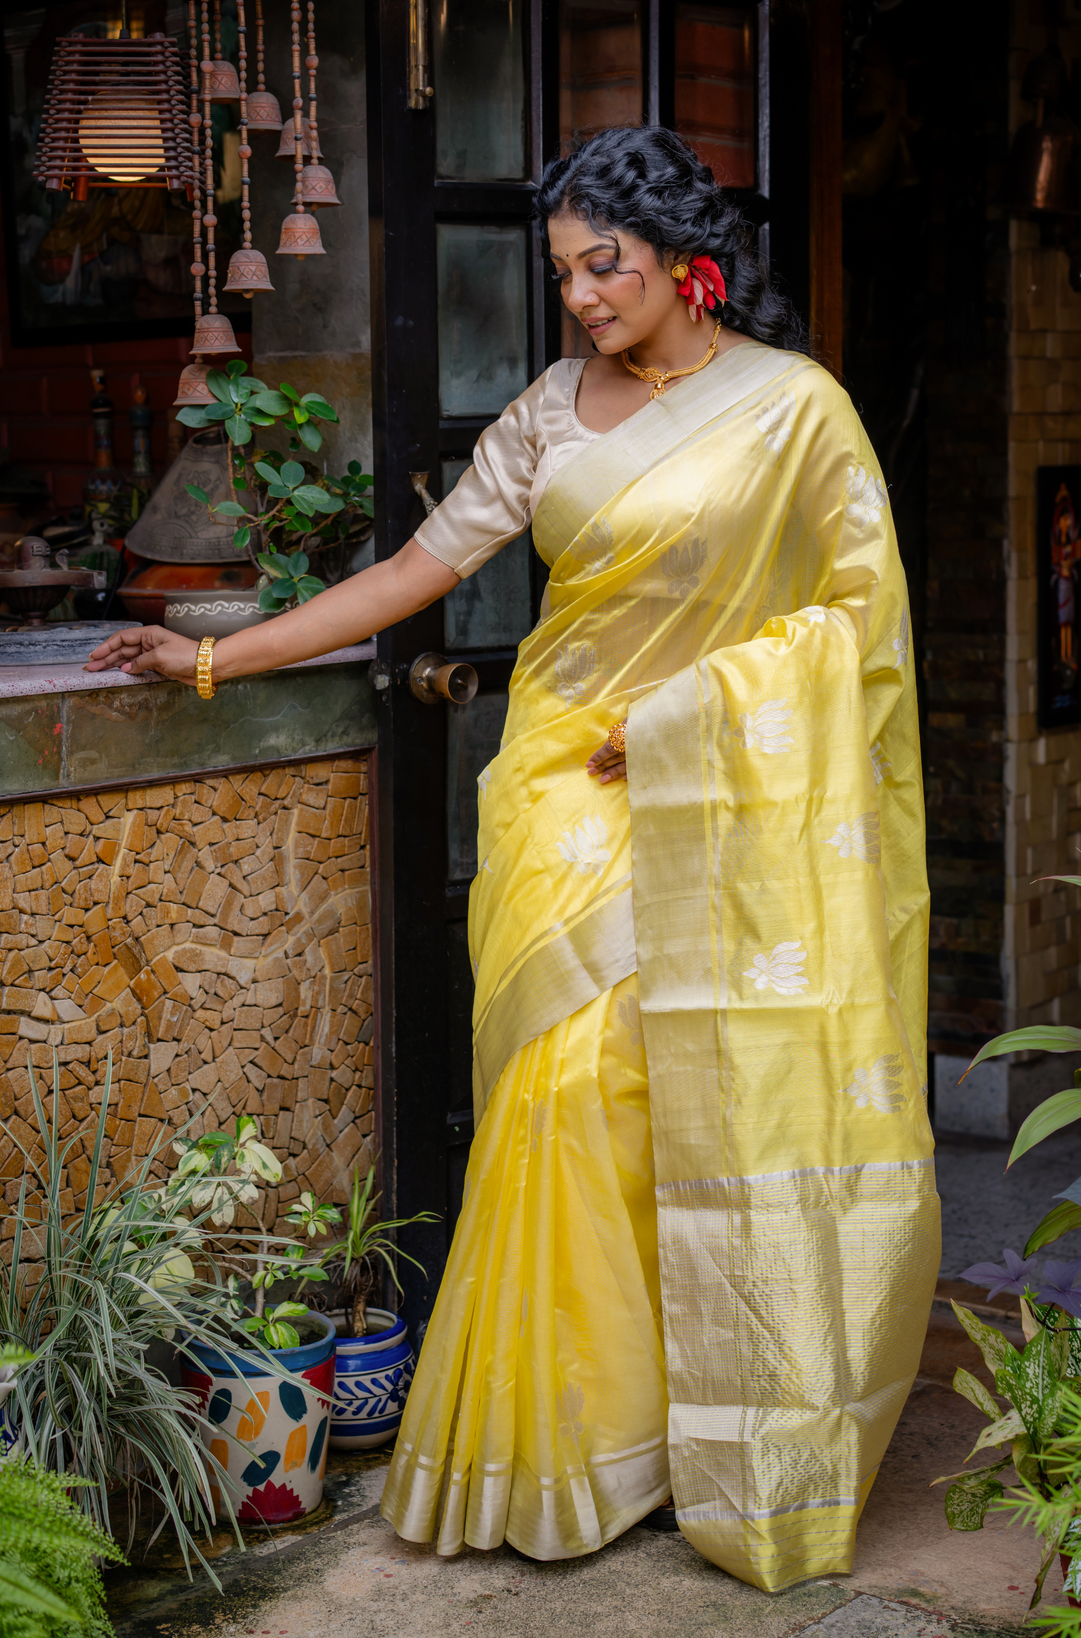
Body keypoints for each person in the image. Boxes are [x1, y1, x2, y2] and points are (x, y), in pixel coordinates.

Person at [87, 127, 939, 1594]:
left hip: (713, 793)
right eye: (564, 274)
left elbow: (860, 629)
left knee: (697, 1098)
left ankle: (708, 1435)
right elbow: (410, 575)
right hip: (563, 794)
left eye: (607, 265)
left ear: (686, 257)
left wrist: (683, 720)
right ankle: (579, 1446)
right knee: (562, 1097)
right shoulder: (548, 413)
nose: (585, 297)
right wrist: (215, 656)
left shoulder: (797, 408)